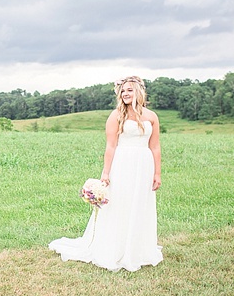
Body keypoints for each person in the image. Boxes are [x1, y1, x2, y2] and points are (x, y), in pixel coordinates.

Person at [49, 76, 163, 272]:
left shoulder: (151, 116)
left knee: (139, 203)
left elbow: (155, 146)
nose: (125, 94)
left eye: (129, 90)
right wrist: (106, 173)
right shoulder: (116, 115)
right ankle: (114, 249)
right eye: (123, 91)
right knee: (120, 203)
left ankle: (138, 249)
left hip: (143, 165)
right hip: (123, 163)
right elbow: (110, 146)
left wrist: (157, 173)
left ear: (139, 92)